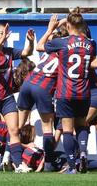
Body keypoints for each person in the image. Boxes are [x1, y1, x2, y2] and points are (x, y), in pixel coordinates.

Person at [36, 8, 97, 174]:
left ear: (68, 25)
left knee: (68, 130)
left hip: (66, 92)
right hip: (84, 93)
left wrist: (52, 28)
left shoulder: (62, 42)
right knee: (82, 126)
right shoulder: (91, 44)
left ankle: (72, 166)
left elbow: (40, 46)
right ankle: (83, 152)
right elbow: (93, 60)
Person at [0, 23, 34, 173]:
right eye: (1, 32)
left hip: (7, 97)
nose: (5, 34)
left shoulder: (9, 52)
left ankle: (19, 165)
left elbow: (27, 52)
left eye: (5, 32)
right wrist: (1, 41)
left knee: (14, 130)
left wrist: (30, 41)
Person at [17, 24, 68, 172]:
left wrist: (51, 28)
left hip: (28, 83)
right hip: (43, 87)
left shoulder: (49, 48)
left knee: (18, 126)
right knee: (47, 128)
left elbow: (40, 45)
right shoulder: (67, 54)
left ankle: (10, 158)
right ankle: (49, 163)